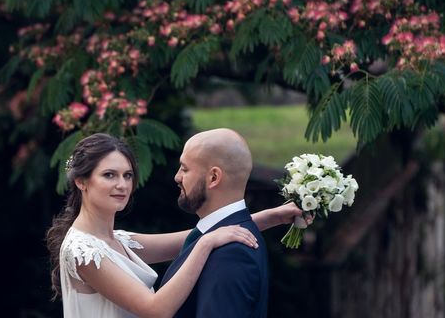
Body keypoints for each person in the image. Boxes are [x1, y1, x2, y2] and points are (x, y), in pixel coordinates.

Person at [46, 132, 306, 318]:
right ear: (81, 181)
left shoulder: (119, 240)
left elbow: (194, 235)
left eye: (127, 175)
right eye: (109, 175)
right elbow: (156, 309)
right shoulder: (82, 251)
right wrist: (206, 245)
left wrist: (269, 217)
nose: (122, 185)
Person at [159, 128, 272, 317]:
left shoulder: (232, 252)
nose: (177, 177)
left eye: (185, 169)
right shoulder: (217, 235)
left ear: (213, 178)